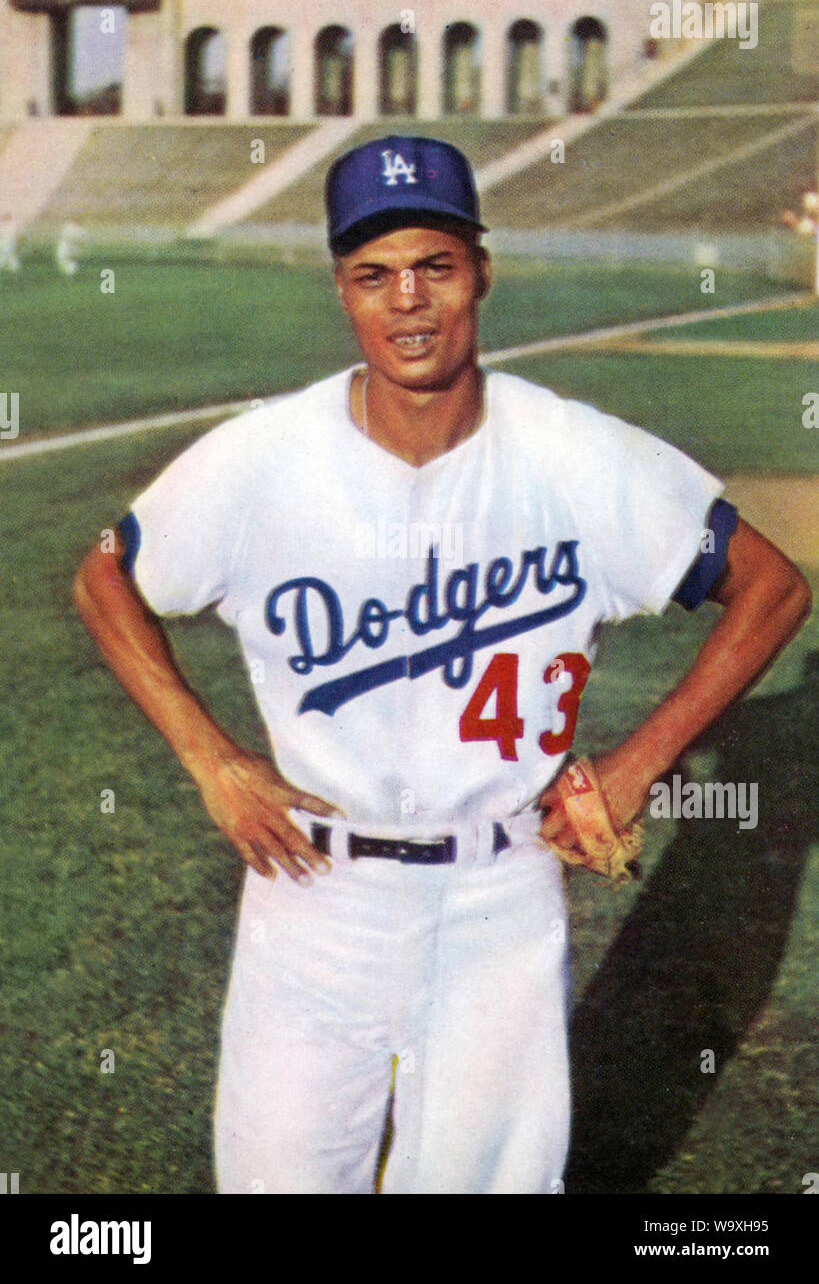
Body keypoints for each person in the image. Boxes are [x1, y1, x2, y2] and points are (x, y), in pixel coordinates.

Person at [73, 135, 811, 1195]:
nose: (407, 302)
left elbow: (771, 586)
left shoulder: (573, 453)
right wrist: (212, 758)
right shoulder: (266, 455)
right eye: (375, 275)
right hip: (312, 893)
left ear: (481, 272)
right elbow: (108, 577)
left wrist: (641, 761)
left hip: (499, 898)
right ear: (342, 291)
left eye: (436, 266)